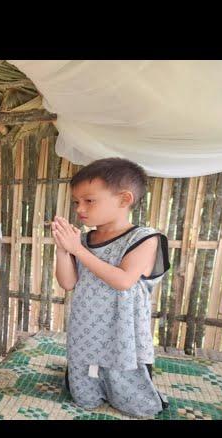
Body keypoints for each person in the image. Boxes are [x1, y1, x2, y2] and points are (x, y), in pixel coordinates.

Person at [52, 158, 170, 417]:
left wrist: (77, 250)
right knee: (85, 397)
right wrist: (63, 250)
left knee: (134, 402)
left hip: (122, 329)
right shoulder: (82, 240)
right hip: (85, 327)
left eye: (89, 200)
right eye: (76, 202)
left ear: (124, 199)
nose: (80, 208)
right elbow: (68, 282)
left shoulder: (145, 238)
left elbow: (123, 280)